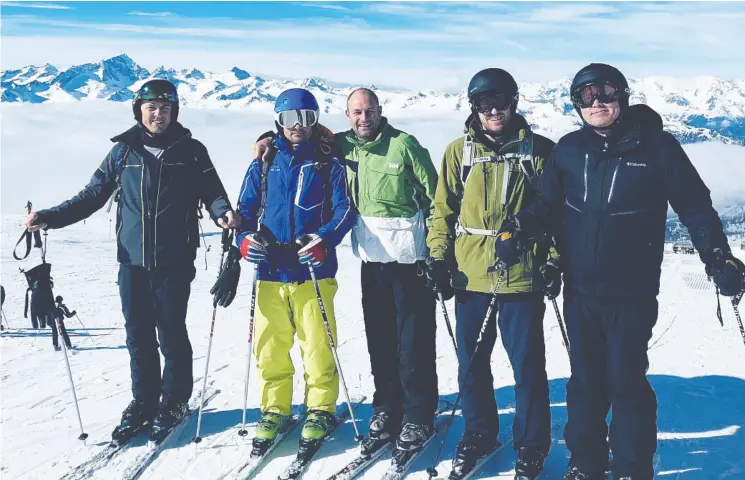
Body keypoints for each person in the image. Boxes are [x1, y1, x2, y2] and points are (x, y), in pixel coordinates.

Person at [495, 63, 745, 479]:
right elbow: (546, 205)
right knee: (585, 382)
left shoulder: (658, 149)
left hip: (632, 292)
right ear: (575, 104)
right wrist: (519, 229)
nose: (596, 103)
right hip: (581, 291)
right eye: (585, 96)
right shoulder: (569, 150)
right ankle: (586, 463)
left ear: (623, 95)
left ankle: (631, 466)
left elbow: (695, 206)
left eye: (605, 92)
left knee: (626, 381)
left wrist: (718, 257)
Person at [24, 79, 238, 444]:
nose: (159, 114)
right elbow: (93, 194)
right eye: (152, 107)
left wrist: (223, 214)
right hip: (132, 261)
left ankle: (173, 401)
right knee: (137, 334)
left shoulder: (192, 151)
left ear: (175, 112)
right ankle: (144, 401)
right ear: (139, 110)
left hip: (174, 261)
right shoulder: (123, 151)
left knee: (171, 333)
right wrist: (51, 217)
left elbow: (213, 192)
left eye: (166, 108)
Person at [254, 88, 440, 454]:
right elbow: (304, 137)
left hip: (411, 262)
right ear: (347, 115)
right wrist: (266, 140)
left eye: (369, 111)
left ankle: (418, 413)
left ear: (380, 111)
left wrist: (439, 254)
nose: (363, 118)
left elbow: (437, 199)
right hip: (372, 262)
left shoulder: (404, 145)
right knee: (381, 341)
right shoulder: (341, 146)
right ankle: (387, 406)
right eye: (356, 112)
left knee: (413, 342)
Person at [426, 68, 558, 479]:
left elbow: (556, 212)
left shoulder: (540, 152)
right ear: (474, 108)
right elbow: (442, 212)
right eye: (484, 104)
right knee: (472, 363)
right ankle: (480, 431)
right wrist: (439, 258)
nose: (493, 110)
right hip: (470, 275)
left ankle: (532, 443)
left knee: (527, 366)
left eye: (500, 101)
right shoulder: (458, 153)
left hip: (522, 273)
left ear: (514, 102)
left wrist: (553, 260)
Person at [231, 88, 355, 455]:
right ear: (278, 122)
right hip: (270, 269)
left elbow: (346, 210)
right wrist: (242, 239)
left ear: (316, 121)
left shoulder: (327, 161)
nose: (298, 126)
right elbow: (246, 209)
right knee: (270, 346)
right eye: (289, 119)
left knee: (317, 344)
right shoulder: (265, 162)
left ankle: (320, 408)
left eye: (306, 118)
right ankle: (275, 408)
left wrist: (325, 240)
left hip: (312, 271)